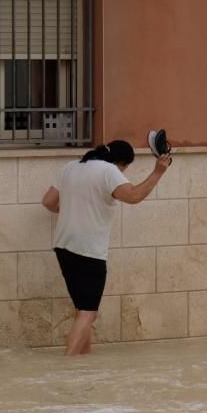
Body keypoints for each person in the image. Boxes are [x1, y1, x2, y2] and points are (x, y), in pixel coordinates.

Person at [42, 140, 172, 355]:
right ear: (122, 163)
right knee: (88, 313)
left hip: (63, 246)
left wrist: (74, 209)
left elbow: (48, 202)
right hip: (89, 249)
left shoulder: (71, 167)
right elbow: (133, 196)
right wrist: (158, 172)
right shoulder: (108, 170)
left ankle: (84, 364)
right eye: (125, 169)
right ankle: (66, 367)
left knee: (82, 310)